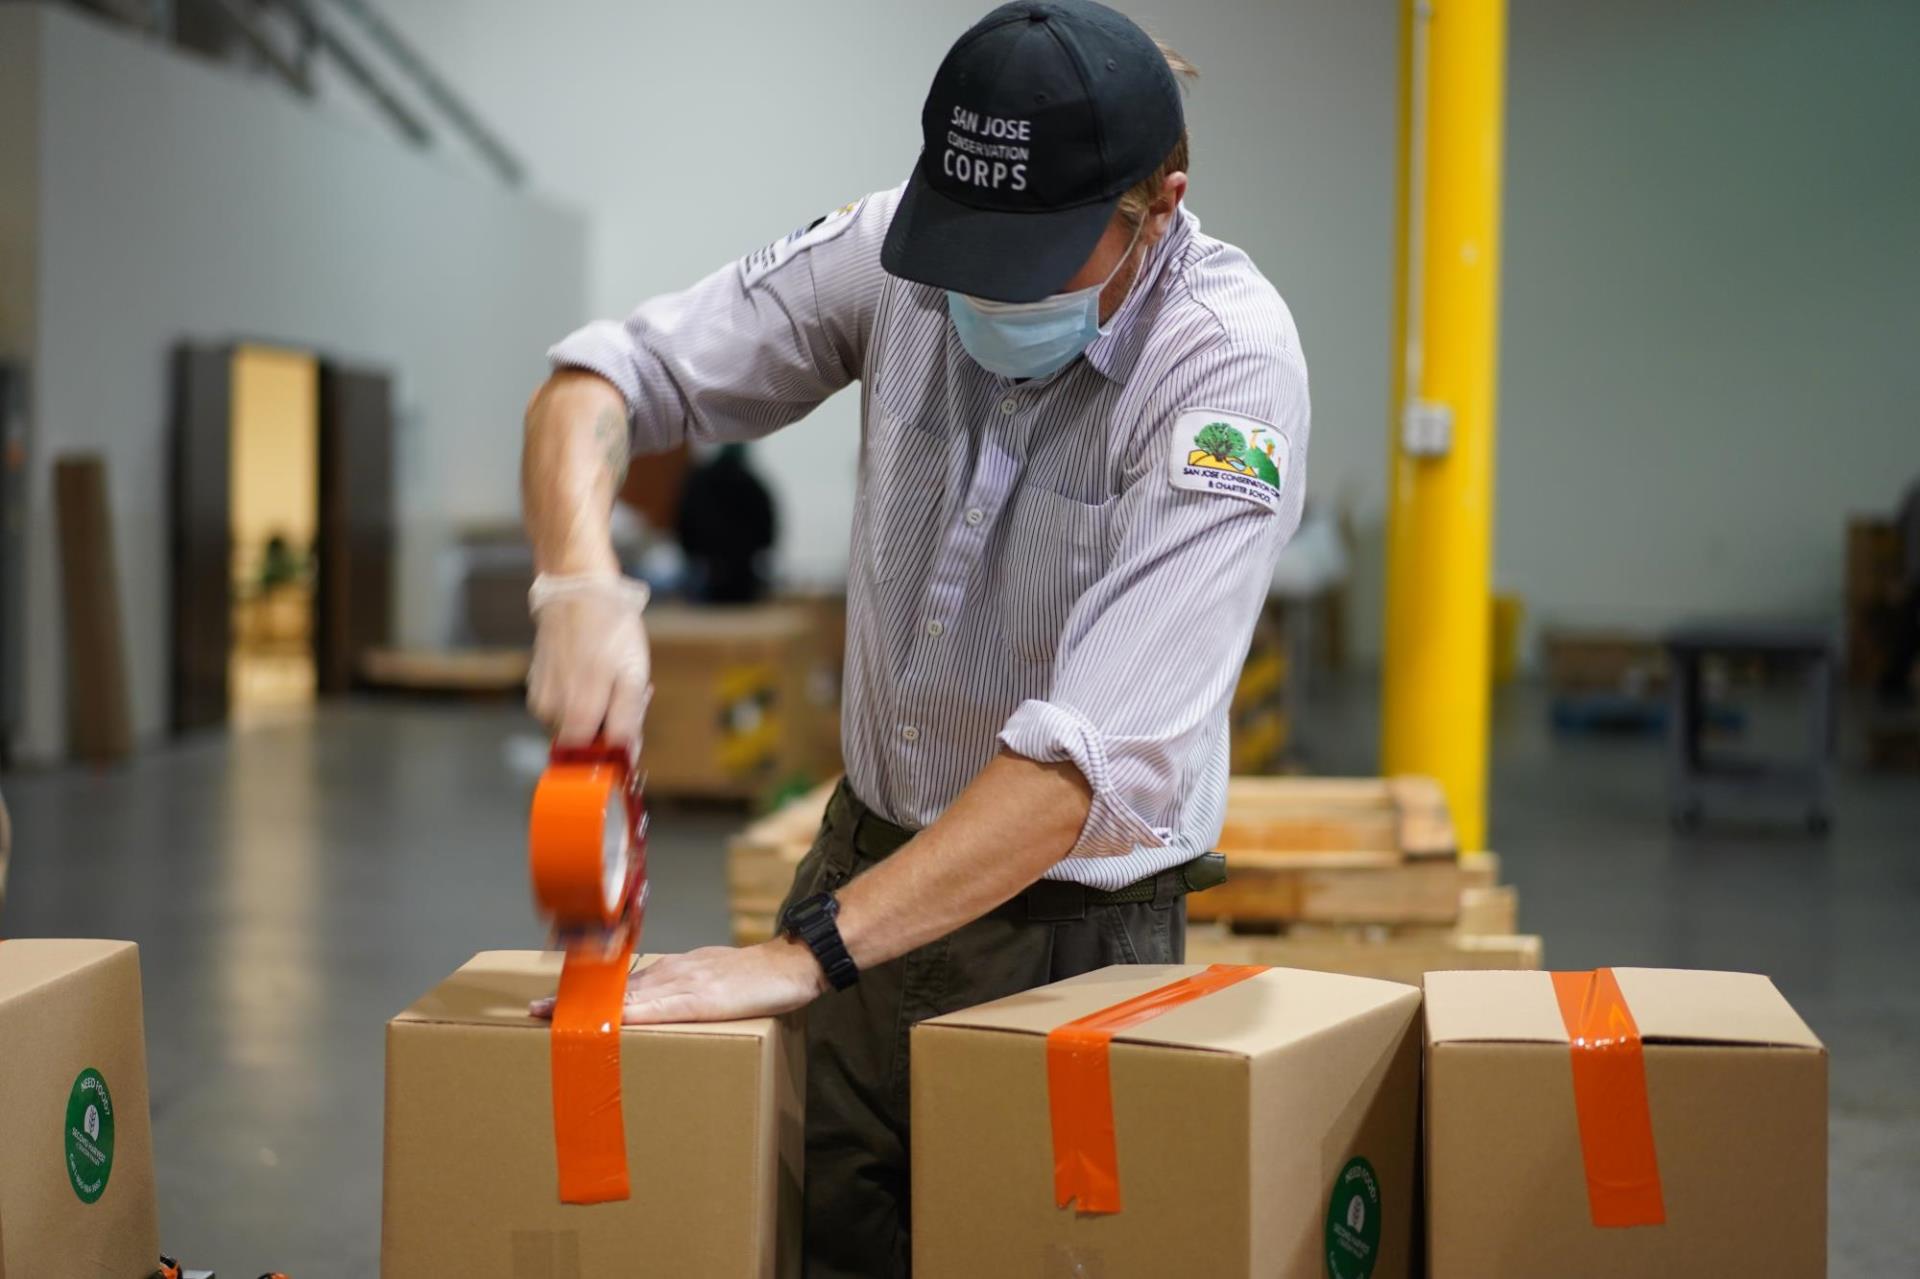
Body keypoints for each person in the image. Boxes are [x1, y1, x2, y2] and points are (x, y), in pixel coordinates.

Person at [520, 3, 1309, 1272]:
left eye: (1037, 254)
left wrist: (803, 952)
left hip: (1067, 931)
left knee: (1028, 1250)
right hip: (866, 850)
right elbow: (605, 379)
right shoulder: (895, 250)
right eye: (966, 247)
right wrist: (576, 579)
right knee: (826, 1241)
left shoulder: (1224, 372)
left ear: (1157, 206)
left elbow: (1080, 768)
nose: (986, 288)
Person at [1879, 478, 1920, 707]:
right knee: (1910, 631)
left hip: (1914, 572)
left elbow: (1898, 527)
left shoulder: (1914, 491)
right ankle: (1893, 683)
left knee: (1909, 630)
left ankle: (1893, 683)